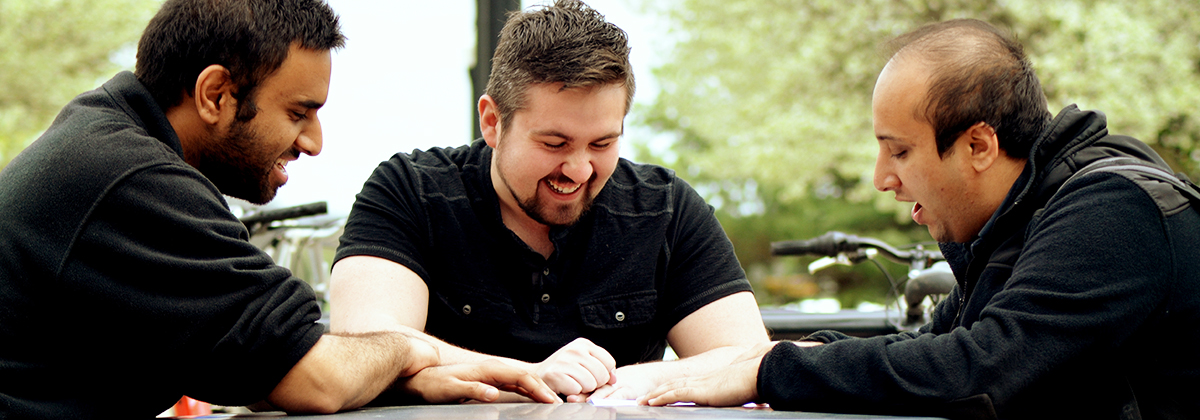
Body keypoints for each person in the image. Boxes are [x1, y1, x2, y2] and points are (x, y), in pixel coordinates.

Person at [0, 1, 558, 418]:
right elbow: (316, 380)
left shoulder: (101, 141)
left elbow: (261, 366)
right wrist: (408, 348)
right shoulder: (131, 178)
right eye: (298, 112)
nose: (314, 141)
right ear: (215, 95)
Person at [640, 19, 1200, 419]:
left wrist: (768, 373)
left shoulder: (1114, 209)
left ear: (978, 145)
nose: (882, 178)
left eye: (900, 151)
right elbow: (932, 347)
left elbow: (983, 372)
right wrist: (757, 358)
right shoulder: (1019, 225)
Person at [329, 0, 769, 402]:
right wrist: (529, 376)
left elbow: (747, 359)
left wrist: (647, 378)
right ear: (492, 122)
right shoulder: (409, 190)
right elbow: (364, 349)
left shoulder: (665, 208)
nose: (578, 170)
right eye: (555, 143)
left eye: (602, 143)